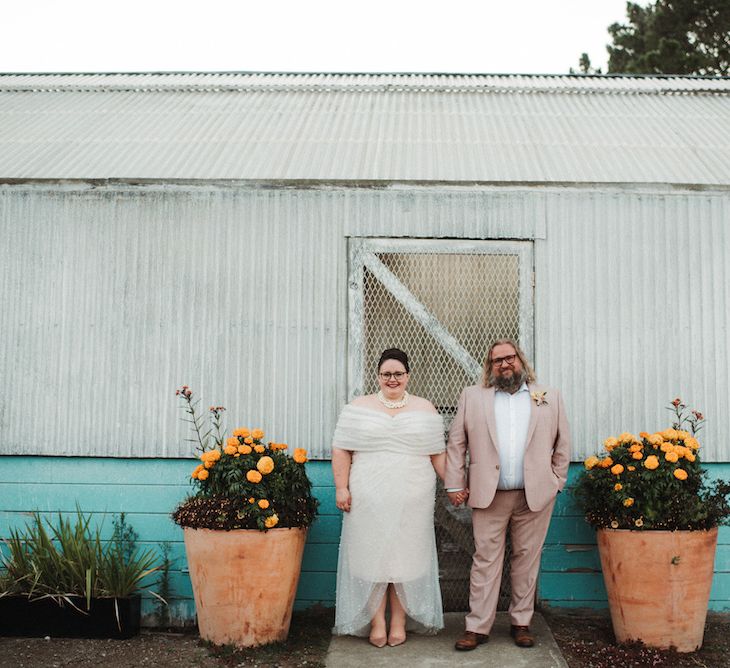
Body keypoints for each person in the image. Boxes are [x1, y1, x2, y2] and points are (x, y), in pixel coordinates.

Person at [445, 338, 571, 651]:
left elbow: (563, 443)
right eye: (497, 360)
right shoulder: (473, 397)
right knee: (485, 560)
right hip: (490, 495)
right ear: (490, 366)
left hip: (536, 495)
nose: (505, 364)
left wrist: (557, 480)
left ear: (520, 360)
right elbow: (457, 443)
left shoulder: (548, 397)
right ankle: (477, 627)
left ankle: (521, 623)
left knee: (527, 559)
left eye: (510, 357)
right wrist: (454, 483)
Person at [331, 348, 450, 647]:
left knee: (404, 560)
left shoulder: (425, 408)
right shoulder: (358, 406)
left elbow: (438, 454)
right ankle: (376, 623)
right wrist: (341, 487)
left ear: (408, 375)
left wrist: (455, 485)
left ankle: (398, 621)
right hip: (368, 493)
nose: (392, 379)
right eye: (387, 374)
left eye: (398, 374)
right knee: (371, 558)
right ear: (378, 376)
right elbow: (341, 449)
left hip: (413, 494)